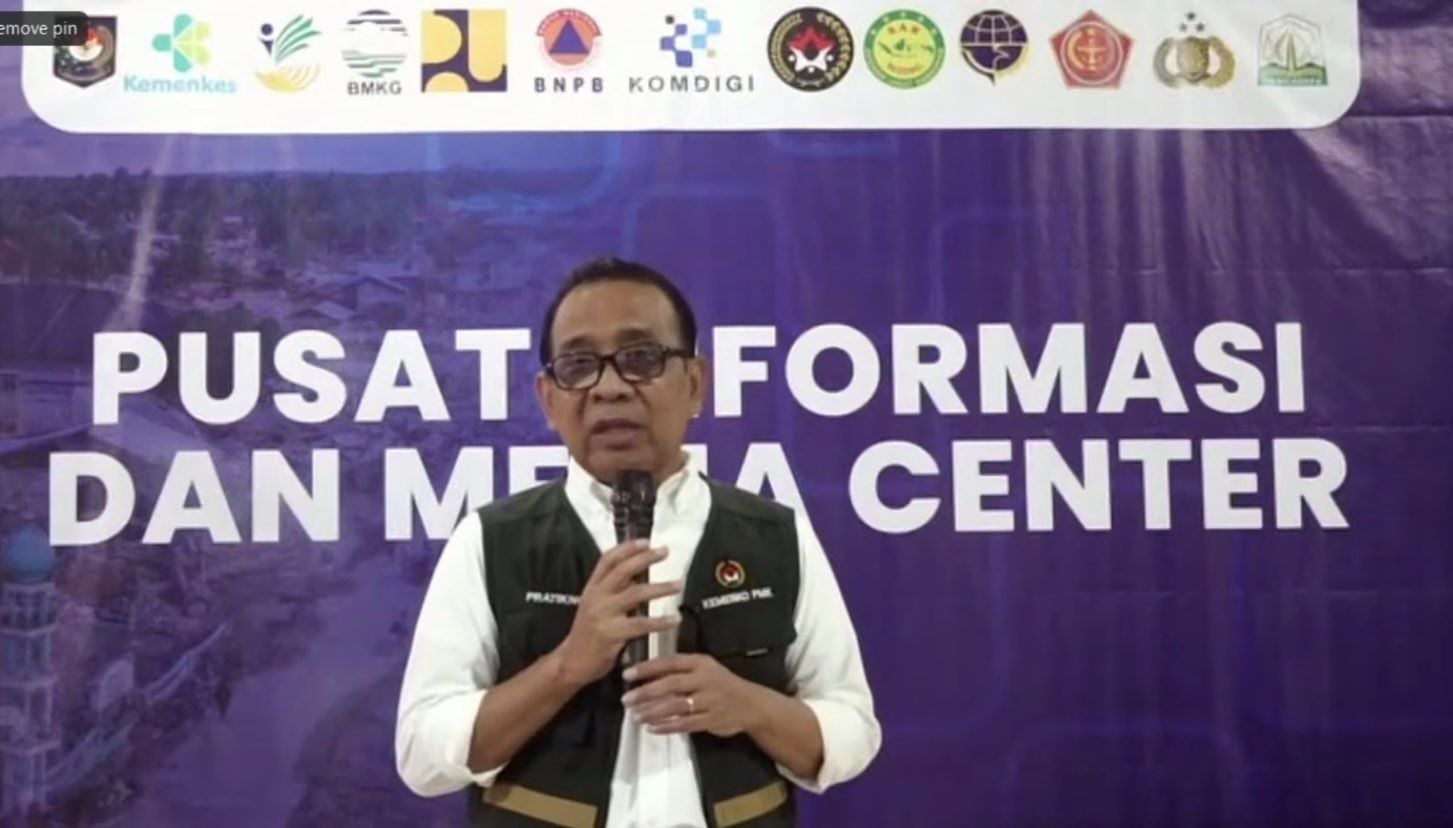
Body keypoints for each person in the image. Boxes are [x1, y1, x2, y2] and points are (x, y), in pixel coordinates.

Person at [395, 257, 881, 827]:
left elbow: (853, 731)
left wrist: (749, 705)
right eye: (579, 365)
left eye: (640, 358)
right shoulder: (491, 540)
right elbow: (422, 757)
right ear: (548, 399)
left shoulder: (775, 535)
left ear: (695, 384)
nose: (609, 388)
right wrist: (565, 667)